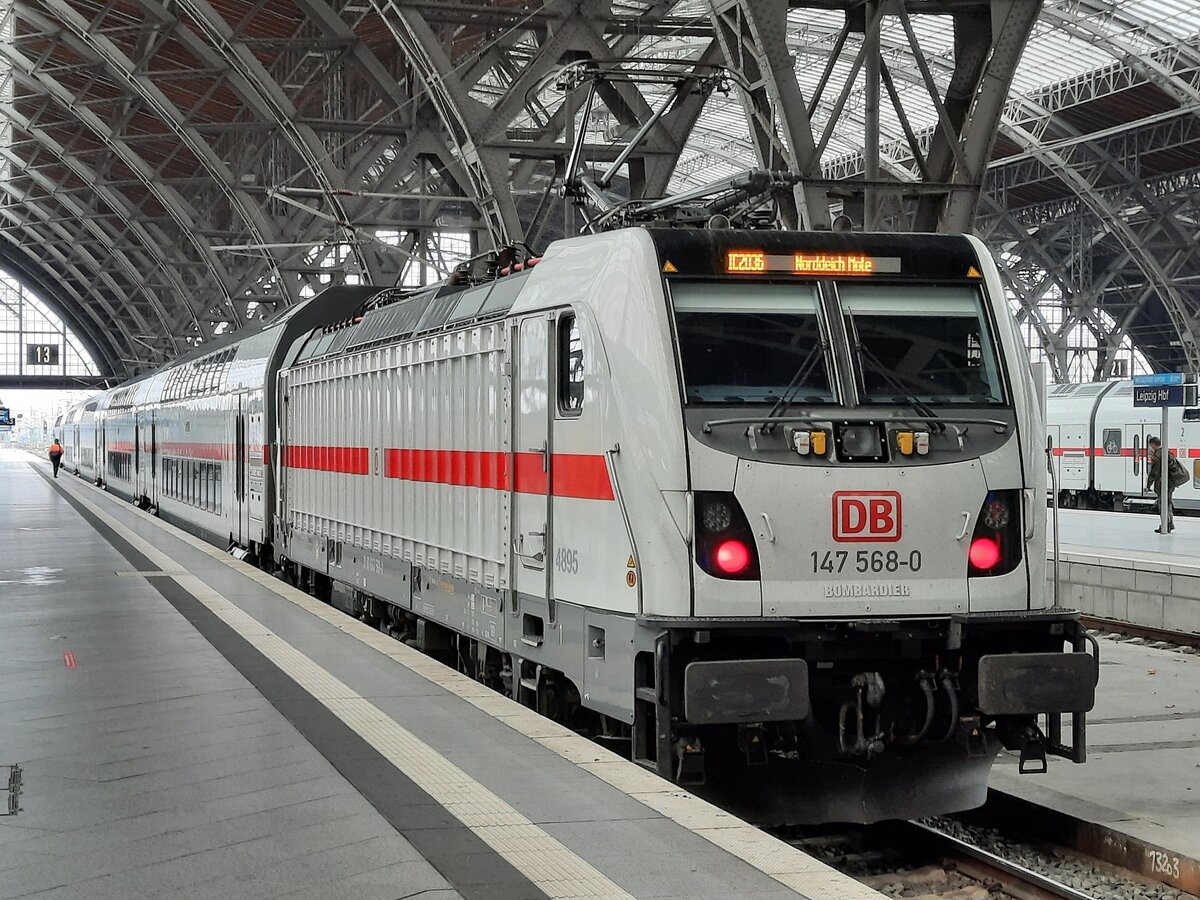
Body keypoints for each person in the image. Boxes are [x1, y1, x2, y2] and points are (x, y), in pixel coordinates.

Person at [1146, 436, 1186, 533]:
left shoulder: (1157, 456)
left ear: (1153, 445)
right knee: (1167, 503)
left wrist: (1148, 485)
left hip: (1162, 483)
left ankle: (1165, 525)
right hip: (1171, 483)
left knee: (1163, 504)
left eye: (1151, 445)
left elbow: (1154, 472)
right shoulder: (1167, 452)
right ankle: (1170, 523)